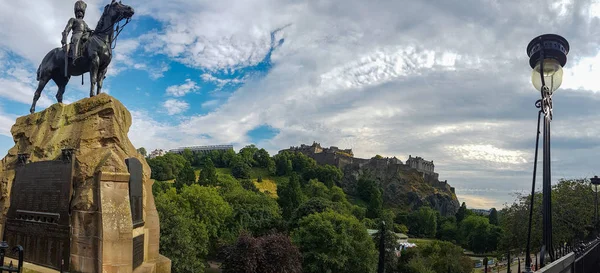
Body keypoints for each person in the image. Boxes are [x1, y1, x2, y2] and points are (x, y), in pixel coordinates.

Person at [62, 0, 93, 66]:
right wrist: (64, 36)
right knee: (77, 39)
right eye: (78, 12)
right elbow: (68, 28)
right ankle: (75, 58)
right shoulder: (73, 20)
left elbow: (88, 29)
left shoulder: (84, 22)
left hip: (84, 35)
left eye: (81, 12)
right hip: (76, 34)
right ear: (76, 13)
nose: (80, 13)